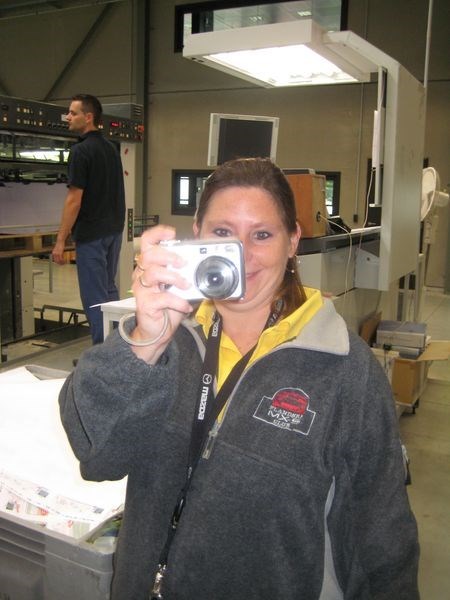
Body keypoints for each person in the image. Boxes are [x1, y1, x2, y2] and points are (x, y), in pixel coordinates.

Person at [59, 158, 419, 600]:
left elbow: (382, 546)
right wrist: (144, 342)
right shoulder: (170, 338)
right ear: (197, 234)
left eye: (262, 235)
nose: (241, 254)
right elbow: (96, 454)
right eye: (223, 232)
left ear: (293, 242)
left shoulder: (345, 370)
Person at [52, 93, 125, 344]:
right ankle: (118, 347)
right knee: (109, 290)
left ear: (89, 117)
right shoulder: (111, 148)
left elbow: (74, 199)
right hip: (113, 231)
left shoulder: (80, 151)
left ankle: (102, 353)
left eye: (73, 113)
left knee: (95, 297)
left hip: (92, 235)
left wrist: (60, 240)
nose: (68, 117)